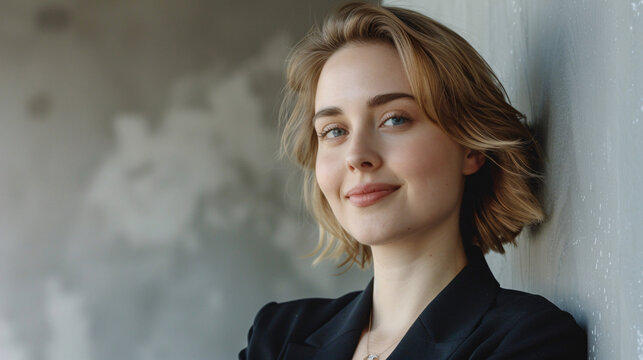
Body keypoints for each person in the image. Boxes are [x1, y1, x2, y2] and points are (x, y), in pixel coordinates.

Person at [239, 2, 586, 359]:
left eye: (395, 120)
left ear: (469, 147)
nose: (357, 155)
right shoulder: (277, 334)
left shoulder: (529, 339)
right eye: (334, 130)